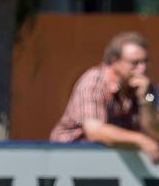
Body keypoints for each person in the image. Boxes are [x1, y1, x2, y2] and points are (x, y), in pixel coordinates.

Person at [50, 31, 159, 163]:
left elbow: (155, 133)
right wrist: (140, 139)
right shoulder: (94, 82)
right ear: (114, 62)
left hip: (109, 164)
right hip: (67, 159)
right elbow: (94, 131)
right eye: (135, 63)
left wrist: (145, 100)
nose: (143, 68)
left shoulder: (147, 89)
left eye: (146, 61)